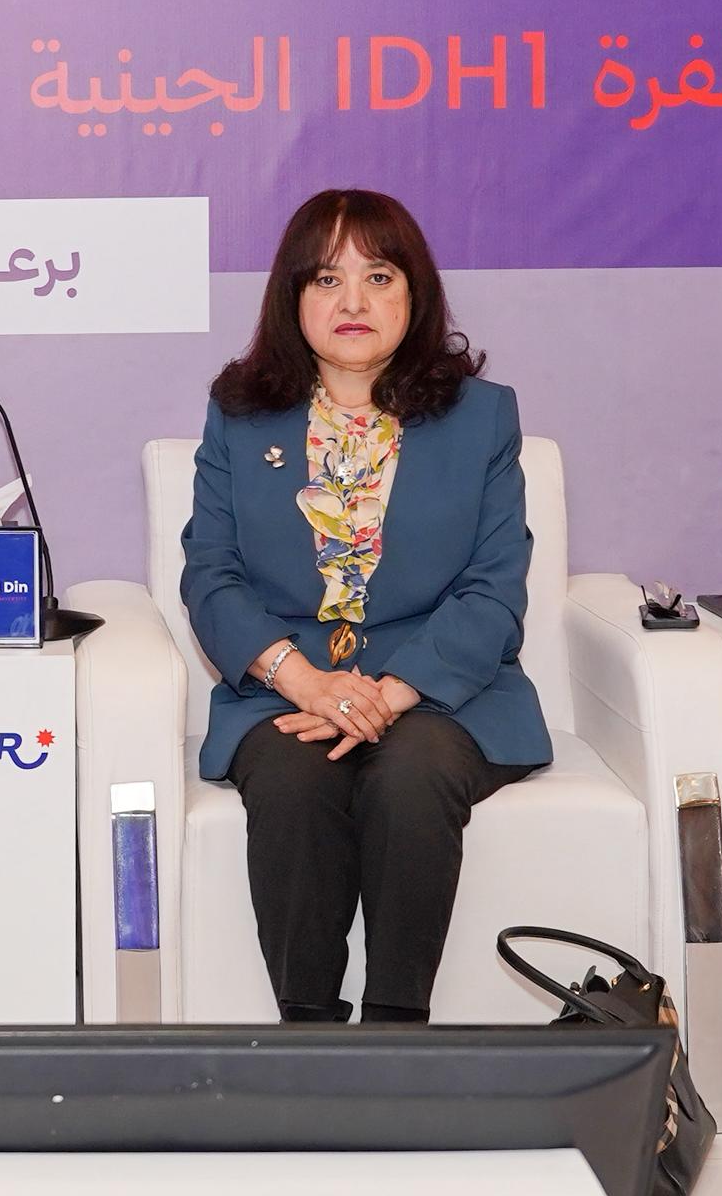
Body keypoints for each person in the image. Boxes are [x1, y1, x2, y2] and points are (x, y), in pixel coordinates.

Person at [180, 188, 551, 1024]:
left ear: (415, 294)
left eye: (379, 277)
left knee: (412, 775)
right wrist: (303, 681)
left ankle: (396, 1034)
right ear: (292, 297)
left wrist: (393, 692)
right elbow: (211, 573)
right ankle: (308, 1035)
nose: (353, 301)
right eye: (326, 279)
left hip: (442, 689)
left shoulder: (481, 416)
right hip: (288, 684)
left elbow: (495, 583)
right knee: (291, 778)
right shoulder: (240, 416)